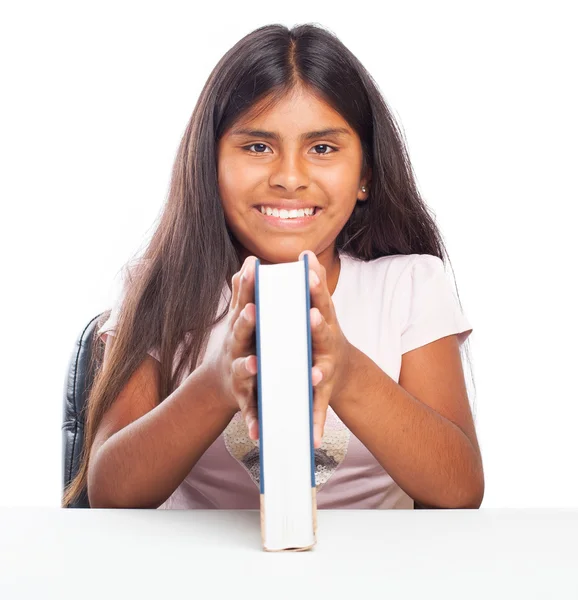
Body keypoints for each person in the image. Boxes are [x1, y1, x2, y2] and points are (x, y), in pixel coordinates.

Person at [62, 23, 484, 511]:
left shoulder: (409, 286)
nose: (288, 178)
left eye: (322, 148)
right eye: (257, 147)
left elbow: (460, 490)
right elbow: (111, 493)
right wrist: (219, 380)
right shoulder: (160, 289)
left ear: (365, 174)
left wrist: (345, 372)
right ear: (211, 167)